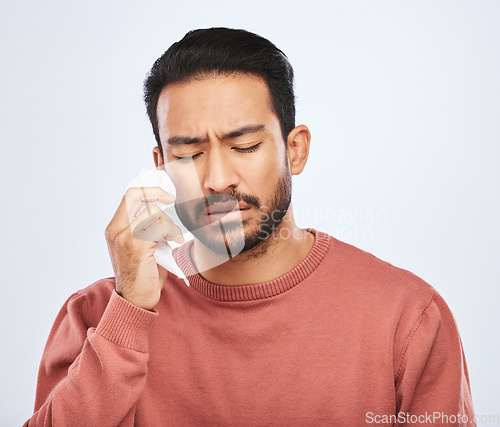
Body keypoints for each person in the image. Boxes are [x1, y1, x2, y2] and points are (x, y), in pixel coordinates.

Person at [25, 27, 476, 426]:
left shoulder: (409, 318)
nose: (217, 179)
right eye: (188, 154)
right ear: (160, 166)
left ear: (294, 150)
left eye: (243, 145)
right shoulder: (98, 316)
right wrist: (128, 314)